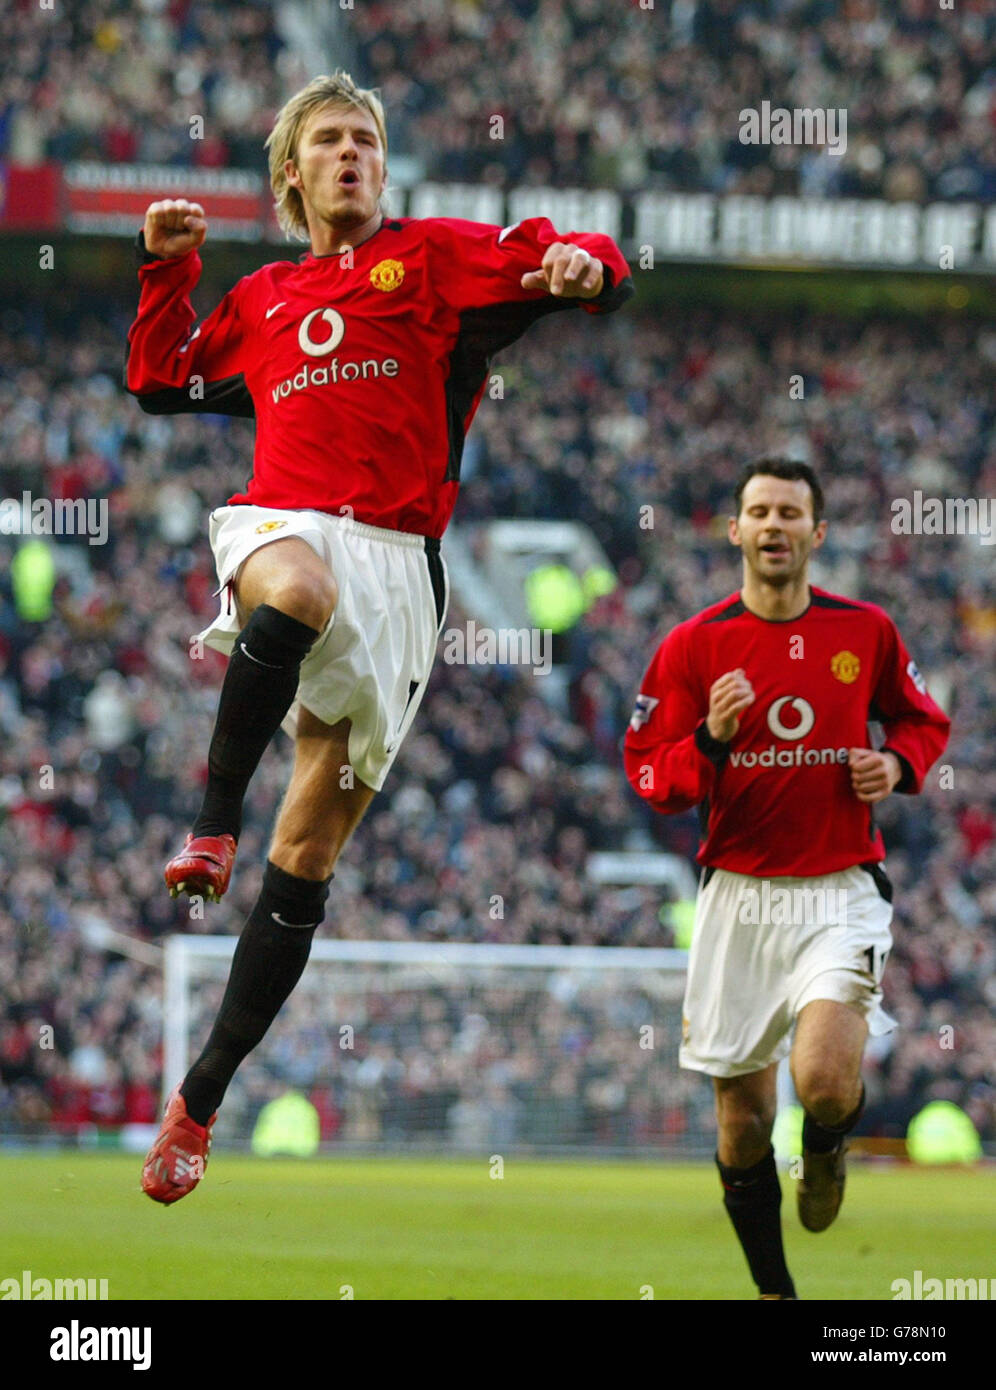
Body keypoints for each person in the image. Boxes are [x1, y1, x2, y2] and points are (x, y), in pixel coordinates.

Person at [125, 70, 633, 1203]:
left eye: (366, 138)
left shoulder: (436, 260)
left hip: (404, 574)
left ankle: (196, 1103)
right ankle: (210, 826)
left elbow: (581, 259)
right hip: (286, 528)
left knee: (305, 856)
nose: (352, 154)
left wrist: (585, 267)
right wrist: (166, 267)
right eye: (329, 141)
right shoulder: (262, 298)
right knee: (291, 590)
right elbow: (161, 383)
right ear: (290, 174)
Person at [623, 459, 950, 1299]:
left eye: (790, 514)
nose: (774, 526)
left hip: (839, 885)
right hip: (736, 894)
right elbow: (650, 776)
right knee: (743, 1122)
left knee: (825, 1079)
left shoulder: (866, 631)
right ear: (735, 531)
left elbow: (922, 719)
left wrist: (896, 762)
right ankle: (775, 1290)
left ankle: (831, 1145)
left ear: (818, 534)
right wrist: (711, 738)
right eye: (760, 512)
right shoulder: (694, 646)